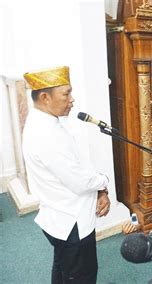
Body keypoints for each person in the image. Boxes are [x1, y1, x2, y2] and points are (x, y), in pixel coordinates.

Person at [22, 66, 110, 283]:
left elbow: (73, 168)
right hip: (71, 223)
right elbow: (79, 181)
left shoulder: (43, 122)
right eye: (66, 93)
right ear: (45, 97)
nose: (72, 99)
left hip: (59, 218)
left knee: (63, 272)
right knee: (82, 276)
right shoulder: (46, 134)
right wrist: (103, 182)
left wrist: (99, 189)